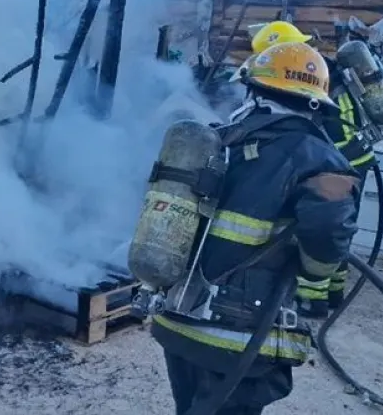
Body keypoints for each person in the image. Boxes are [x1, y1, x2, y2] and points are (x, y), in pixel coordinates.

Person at [154, 41, 361, 414]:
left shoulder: (221, 139)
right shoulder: (319, 158)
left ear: (253, 89)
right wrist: (316, 272)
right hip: (236, 333)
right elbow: (327, 241)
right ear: (314, 102)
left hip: (180, 319)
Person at [240, 21, 376, 316]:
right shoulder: (321, 70)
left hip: (337, 163)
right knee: (341, 226)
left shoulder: (302, 82)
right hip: (356, 159)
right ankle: (335, 292)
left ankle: (312, 299)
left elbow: (310, 137)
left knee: (318, 224)